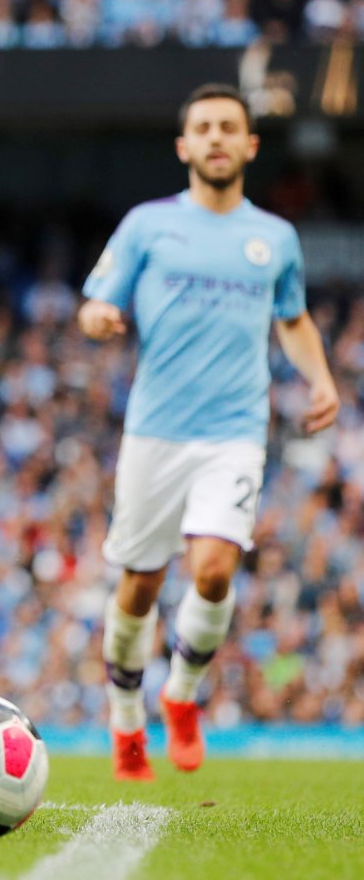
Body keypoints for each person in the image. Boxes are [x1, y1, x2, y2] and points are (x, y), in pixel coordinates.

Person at [78, 83, 338, 781]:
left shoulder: (274, 238)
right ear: (184, 146)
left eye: (228, 127)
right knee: (139, 585)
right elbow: (97, 300)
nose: (216, 137)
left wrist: (319, 378)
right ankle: (126, 718)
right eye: (204, 128)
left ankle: (181, 694)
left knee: (215, 569)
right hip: (156, 432)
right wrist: (98, 317)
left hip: (235, 431)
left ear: (250, 145)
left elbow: (292, 318)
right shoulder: (147, 225)